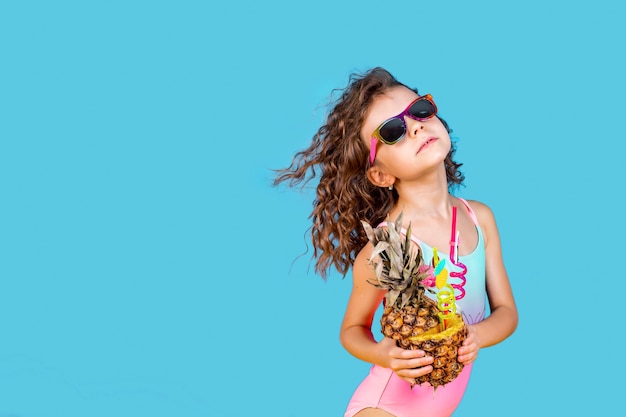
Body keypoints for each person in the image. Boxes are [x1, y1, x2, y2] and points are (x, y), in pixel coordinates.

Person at [273, 67, 518, 417]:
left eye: (418, 110)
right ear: (381, 174)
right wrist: (383, 354)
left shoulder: (480, 218)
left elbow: (507, 313)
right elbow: (352, 330)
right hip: (384, 408)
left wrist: (477, 335)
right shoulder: (384, 249)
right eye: (393, 131)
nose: (416, 126)